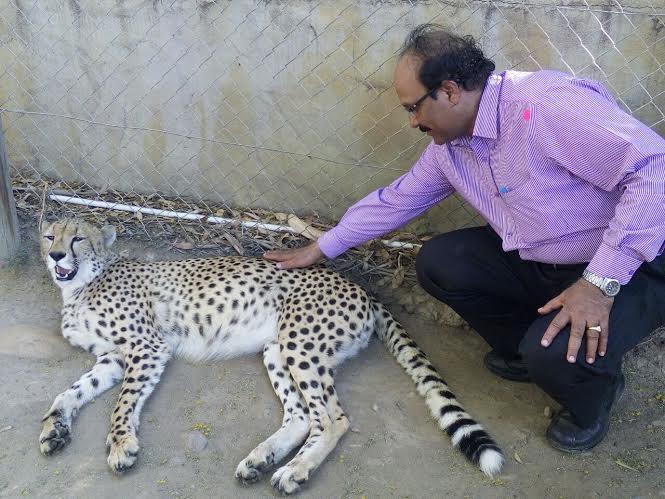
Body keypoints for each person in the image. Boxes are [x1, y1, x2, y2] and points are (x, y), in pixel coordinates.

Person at [264, 24, 665, 452]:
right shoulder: (452, 146)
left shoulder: (544, 107)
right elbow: (396, 200)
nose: (413, 121)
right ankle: (532, 352)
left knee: (554, 354)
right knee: (441, 264)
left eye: (414, 108)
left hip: (631, 266)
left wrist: (599, 284)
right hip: (546, 258)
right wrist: (321, 247)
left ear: (451, 91)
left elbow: (655, 172)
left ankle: (595, 393)